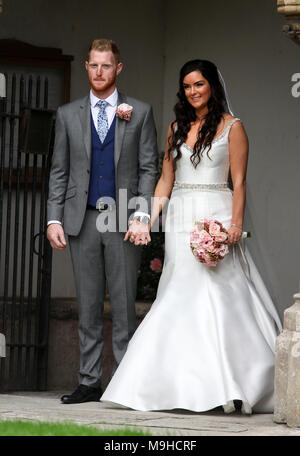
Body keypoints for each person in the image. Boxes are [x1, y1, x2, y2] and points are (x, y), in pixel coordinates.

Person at [101, 59, 282, 414]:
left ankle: (233, 385)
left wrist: (234, 225)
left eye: (199, 84)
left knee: (218, 297)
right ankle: (173, 387)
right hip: (180, 216)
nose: (193, 91)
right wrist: (145, 218)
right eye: (187, 86)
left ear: (212, 85)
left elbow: (240, 181)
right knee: (176, 295)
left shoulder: (234, 128)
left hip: (216, 211)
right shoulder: (175, 128)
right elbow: (166, 179)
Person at [47, 39, 158, 404]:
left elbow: (147, 168)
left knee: (125, 306)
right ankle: (89, 381)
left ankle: (126, 382)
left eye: (106, 66)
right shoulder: (67, 114)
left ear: (118, 68)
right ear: (86, 68)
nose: (98, 72)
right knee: (89, 305)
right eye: (93, 65)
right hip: (82, 220)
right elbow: (59, 172)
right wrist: (53, 219)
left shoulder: (139, 112)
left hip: (124, 219)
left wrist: (142, 214)